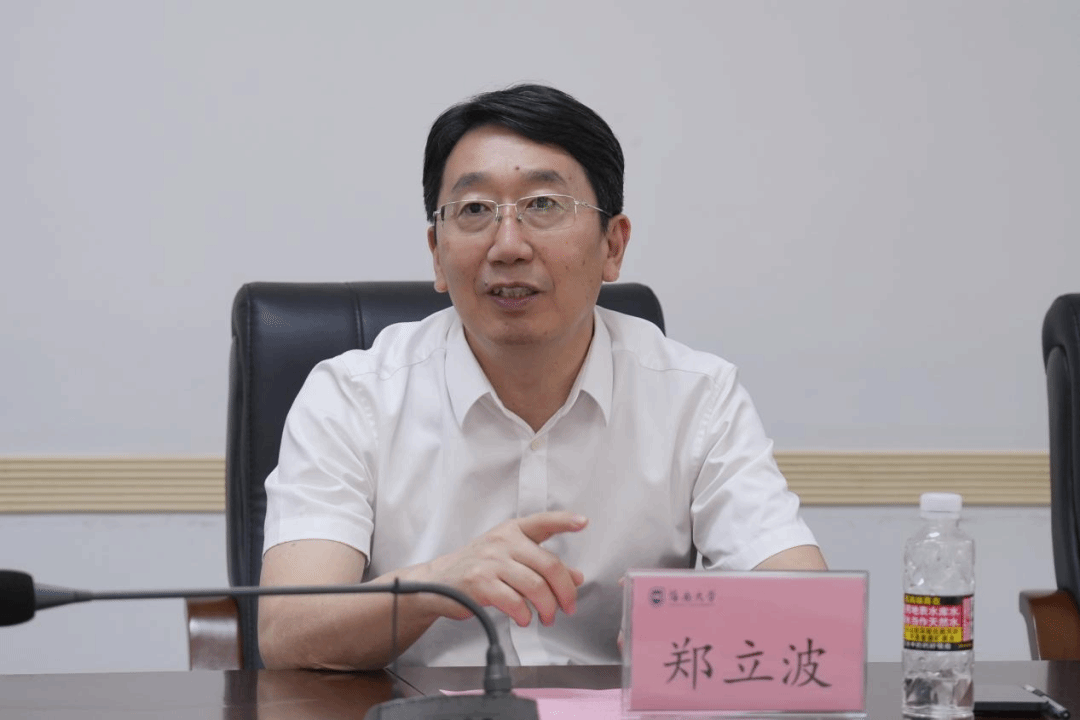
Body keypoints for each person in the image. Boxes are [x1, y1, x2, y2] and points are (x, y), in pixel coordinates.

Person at [258, 83, 826, 671]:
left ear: (613, 245)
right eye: (474, 210)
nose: (508, 246)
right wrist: (435, 584)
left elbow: (810, 619)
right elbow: (287, 633)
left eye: (544, 205)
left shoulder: (696, 398)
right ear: (436, 252)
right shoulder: (351, 399)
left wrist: (703, 624)